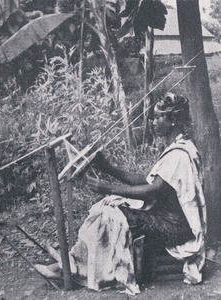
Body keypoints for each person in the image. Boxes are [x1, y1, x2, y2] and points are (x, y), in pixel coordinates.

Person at [35, 92, 207, 294]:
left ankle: (72, 268)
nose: (152, 122)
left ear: (173, 120)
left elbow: (153, 190)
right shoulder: (178, 147)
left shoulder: (180, 153)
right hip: (165, 218)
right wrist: (108, 168)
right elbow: (147, 179)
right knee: (107, 207)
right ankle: (75, 261)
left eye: (158, 117)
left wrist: (107, 187)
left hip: (175, 226)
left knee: (110, 213)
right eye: (153, 117)